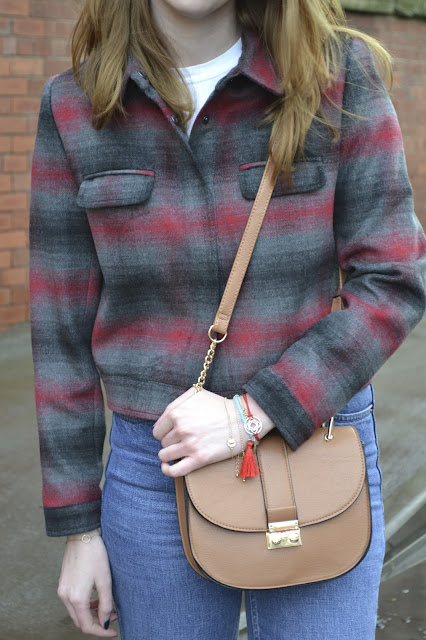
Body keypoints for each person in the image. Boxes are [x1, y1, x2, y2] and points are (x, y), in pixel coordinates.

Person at [29, 0, 426, 638]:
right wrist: (78, 527)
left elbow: (395, 279)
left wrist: (253, 412)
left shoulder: (337, 75)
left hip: (314, 444)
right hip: (155, 469)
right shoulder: (75, 106)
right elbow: (60, 335)